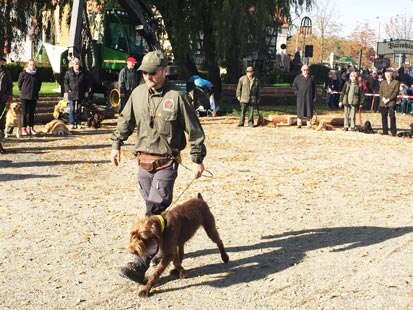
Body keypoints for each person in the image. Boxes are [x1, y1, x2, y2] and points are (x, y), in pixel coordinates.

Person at [110, 50, 206, 283]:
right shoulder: (137, 93)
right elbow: (125, 121)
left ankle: (139, 261)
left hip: (166, 163)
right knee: (152, 208)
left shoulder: (177, 96)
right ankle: (162, 246)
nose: (148, 76)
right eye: (145, 72)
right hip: (143, 162)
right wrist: (116, 144)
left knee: (154, 209)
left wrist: (197, 158)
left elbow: (194, 130)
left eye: (153, 72)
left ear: (164, 71)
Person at [17, 59, 42, 135]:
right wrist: (23, 90)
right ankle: (24, 128)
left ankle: (31, 128)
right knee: (24, 113)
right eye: (30, 64)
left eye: (33, 65)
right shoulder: (23, 73)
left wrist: (36, 91)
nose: (32, 66)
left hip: (33, 95)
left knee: (32, 113)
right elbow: (19, 84)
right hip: (25, 96)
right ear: (27, 65)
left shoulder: (37, 74)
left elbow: (39, 84)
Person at [64, 58, 90, 129]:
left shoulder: (83, 72)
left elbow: (86, 83)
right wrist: (68, 89)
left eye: (78, 64)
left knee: (78, 109)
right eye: (75, 64)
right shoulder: (69, 72)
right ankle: (72, 123)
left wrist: (86, 91)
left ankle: (78, 122)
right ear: (73, 65)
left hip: (80, 93)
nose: (76, 65)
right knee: (72, 109)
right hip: (72, 92)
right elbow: (66, 82)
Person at [379, 69, 400, 136]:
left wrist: (388, 99)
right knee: (383, 117)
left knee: (392, 117)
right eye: (386, 75)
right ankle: (385, 131)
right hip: (383, 102)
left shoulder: (396, 82)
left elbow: (395, 93)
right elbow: (380, 92)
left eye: (389, 75)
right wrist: (383, 98)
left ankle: (393, 132)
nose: (387, 76)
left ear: (392, 75)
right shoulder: (382, 82)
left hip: (391, 103)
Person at [0, 56, 13, 141]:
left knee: (2, 114)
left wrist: (10, 95)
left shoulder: (6, 71)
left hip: (3, 96)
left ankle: (1, 131)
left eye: (1, 61)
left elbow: (9, 83)